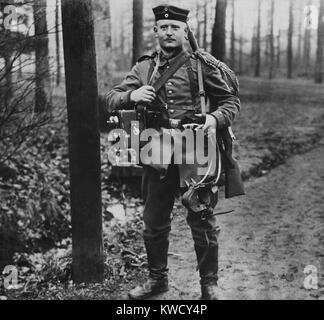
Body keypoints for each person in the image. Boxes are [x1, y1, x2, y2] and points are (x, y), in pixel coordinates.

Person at [106, 4, 244, 300]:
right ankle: (158, 281)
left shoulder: (201, 65)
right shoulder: (143, 68)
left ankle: (209, 285)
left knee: (203, 219)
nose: (169, 32)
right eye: (163, 27)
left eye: (175, 27)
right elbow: (110, 99)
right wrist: (132, 95)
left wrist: (212, 119)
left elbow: (231, 102)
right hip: (155, 147)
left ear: (185, 31)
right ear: (156, 31)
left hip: (195, 146)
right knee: (154, 220)